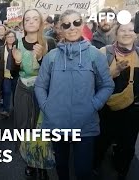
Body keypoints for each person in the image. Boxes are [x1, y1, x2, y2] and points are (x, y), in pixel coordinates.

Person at [34, 9, 114, 180]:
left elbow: (107, 85)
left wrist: (93, 105)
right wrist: (48, 107)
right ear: (60, 29)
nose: (72, 27)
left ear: (83, 24)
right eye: (66, 24)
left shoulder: (94, 55)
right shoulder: (52, 57)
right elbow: (40, 86)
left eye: (76, 23)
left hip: (85, 125)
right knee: (61, 168)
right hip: (57, 123)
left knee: (83, 171)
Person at [12, 9, 56, 180]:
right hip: (22, 89)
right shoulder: (17, 42)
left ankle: (42, 165)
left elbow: (54, 71)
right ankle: (30, 163)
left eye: (35, 19)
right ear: (23, 23)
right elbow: (12, 71)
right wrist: (16, 62)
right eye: (27, 19)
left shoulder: (50, 42)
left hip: (44, 90)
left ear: (40, 23)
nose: (31, 22)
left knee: (42, 128)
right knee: (25, 126)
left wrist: (40, 59)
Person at [94, 20, 139, 180]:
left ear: (136, 33)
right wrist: (112, 72)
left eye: (131, 30)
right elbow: (93, 81)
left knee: (127, 146)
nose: (127, 33)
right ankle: (95, 167)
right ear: (116, 33)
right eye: (123, 30)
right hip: (106, 109)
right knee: (101, 141)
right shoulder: (103, 52)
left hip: (133, 110)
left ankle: (122, 171)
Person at [0, 30, 19, 117]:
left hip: (16, 74)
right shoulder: (2, 49)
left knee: (15, 93)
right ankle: (6, 110)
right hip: (6, 74)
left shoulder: (18, 48)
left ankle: (16, 109)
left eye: (12, 37)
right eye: (9, 37)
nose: (10, 39)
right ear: (6, 38)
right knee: (6, 92)